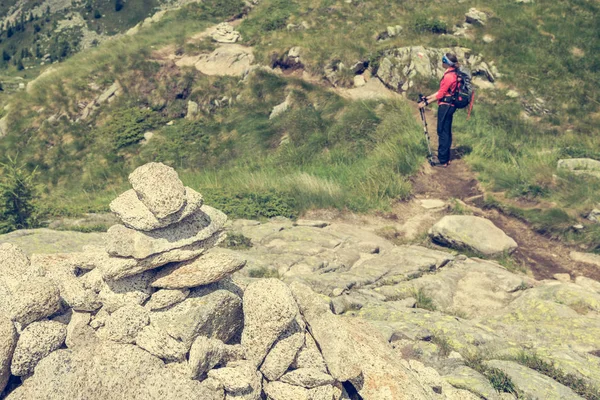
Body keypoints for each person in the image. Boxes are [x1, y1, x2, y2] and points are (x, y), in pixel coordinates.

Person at [418, 53, 460, 167]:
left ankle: (442, 160)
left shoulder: (449, 76)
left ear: (446, 63)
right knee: (445, 131)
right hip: (449, 105)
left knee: (442, 132)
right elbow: (442, 91)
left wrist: (426, 103)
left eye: (443, 60)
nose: (441, 62)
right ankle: (445, 158)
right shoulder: (452, 74)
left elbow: (441, 94)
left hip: (445, 106)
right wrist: (428, 98)